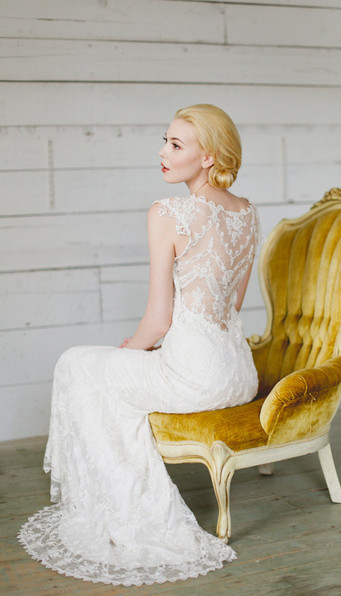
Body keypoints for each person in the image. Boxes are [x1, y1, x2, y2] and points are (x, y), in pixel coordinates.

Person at [18, 104, 261, 586]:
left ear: (208, 157)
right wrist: (155, 348)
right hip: (239, 374)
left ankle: (124, 509)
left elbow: (159, 319)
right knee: (108, 372)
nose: (163, 152)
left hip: (196, 376)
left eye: (176, 144)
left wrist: (131, 349)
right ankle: (118, 493)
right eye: (164, 141)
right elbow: (232, 304)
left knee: (78, 365)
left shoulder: (167, 213)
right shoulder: (247, 211)